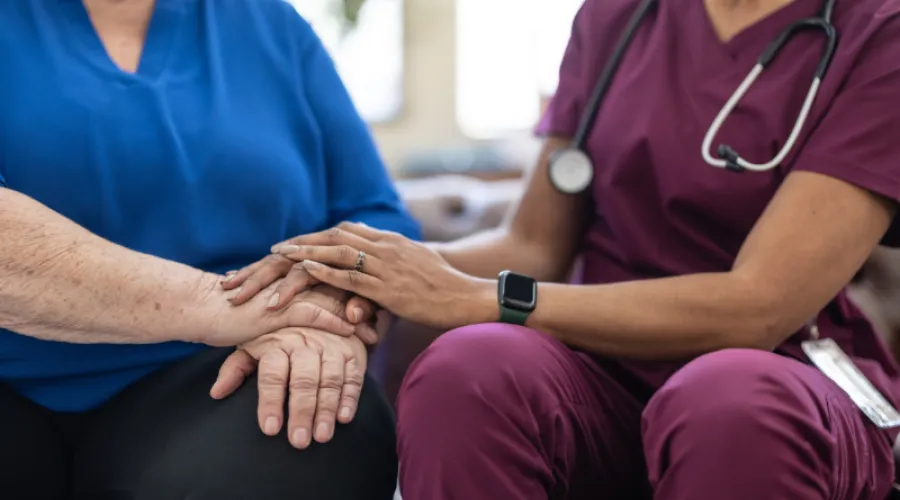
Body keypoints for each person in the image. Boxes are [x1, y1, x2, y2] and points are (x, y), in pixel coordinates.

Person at [233, 0, 900, 497]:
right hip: (601, 375)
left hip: (778, 374)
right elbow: (533, 244)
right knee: (469, 367)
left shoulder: (879, 32)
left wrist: (484, 298)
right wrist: (362, 269)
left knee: (726, 399)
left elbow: (759, 306)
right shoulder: (619, 16)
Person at [0, 0, 419, 499]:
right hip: (14, 373)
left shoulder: (271, 24)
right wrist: (231, 305)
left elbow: (377, 216)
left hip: (232, 366)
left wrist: (326, 306)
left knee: (308, 440)